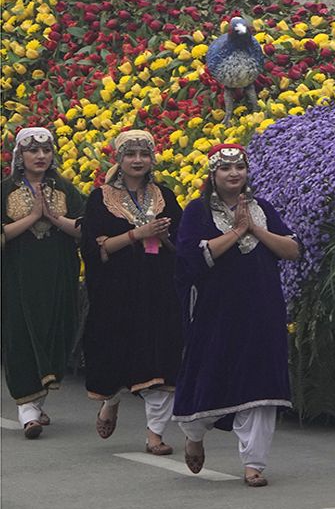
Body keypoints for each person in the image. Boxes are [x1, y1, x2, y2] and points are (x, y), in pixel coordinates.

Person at [173, 144, 300, 486]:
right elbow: (189, 259)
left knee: (262, 385)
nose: (233, 174)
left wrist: (255, 228)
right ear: (212, 175)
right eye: (225, 169)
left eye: (239, 168)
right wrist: (235, 232)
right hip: (217, 312)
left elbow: (292, 249)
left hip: (263, 310)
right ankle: (195, 434)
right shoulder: (198, 211)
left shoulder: (263, 209)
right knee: (209, 374)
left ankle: (253, 464)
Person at [81, 129, 184, 456]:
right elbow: (93, 247)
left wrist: (163, 236)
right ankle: (110, 401)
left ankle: (155, 434)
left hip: (159, 291)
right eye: (130, 154)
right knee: (115, 356)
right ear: (119, 159)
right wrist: (137, 234)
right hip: (116, 294)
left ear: (152, 158)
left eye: (144, 154)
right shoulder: (100, 198)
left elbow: (180, 245)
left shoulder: (165, 195)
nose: (138, 160)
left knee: (161, 361)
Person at [2, 127, 84, 439]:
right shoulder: (5, 190)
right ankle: (28, 412)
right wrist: (31, 216)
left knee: (55, 332)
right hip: (18, 278)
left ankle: (36, 402)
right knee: (21, 333)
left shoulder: (64, 188)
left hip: (58, 275)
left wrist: (53, 218)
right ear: (20, 156)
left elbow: (84, 228)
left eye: (46, 150)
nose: (40, 156)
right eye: (33, 151)